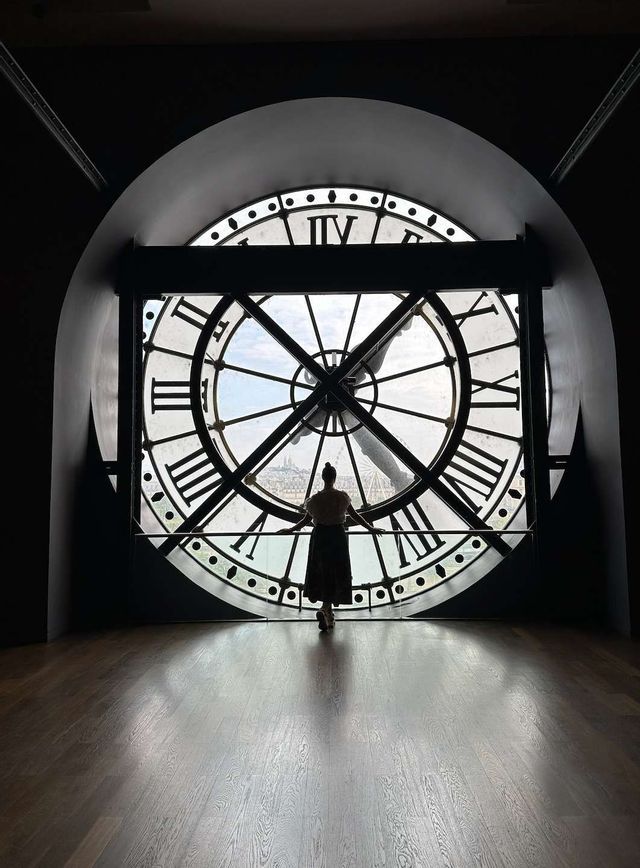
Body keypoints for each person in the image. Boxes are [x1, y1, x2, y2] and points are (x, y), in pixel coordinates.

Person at [278, 462, 382, 631]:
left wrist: (291, 529)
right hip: (337, 536)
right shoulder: (342, 497)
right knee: (337, 572)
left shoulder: (314, 500)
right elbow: (355, 516)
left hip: (319, 537)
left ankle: (326, 610)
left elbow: (305, 520)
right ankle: (326, 610)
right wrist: (371, 528)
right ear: (334, 478)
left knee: (321, 572)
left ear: (323, 478)